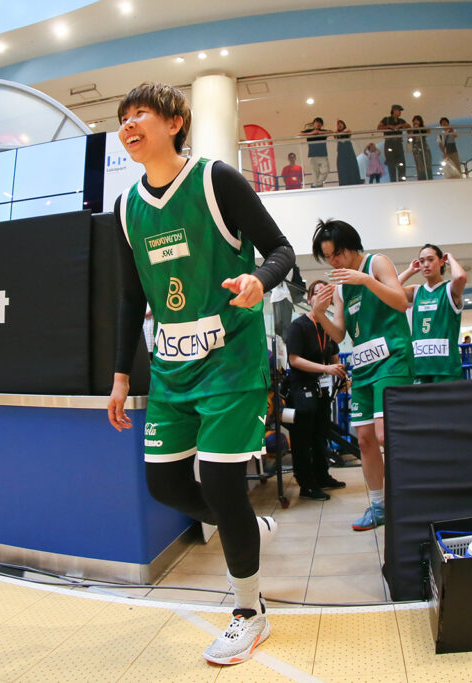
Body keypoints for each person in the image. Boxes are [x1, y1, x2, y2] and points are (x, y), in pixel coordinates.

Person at [107, 82, 295, 665]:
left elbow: (282, 250)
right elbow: (130, 297)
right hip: (171, 370)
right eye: (122, 118)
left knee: (218, 482)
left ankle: (249, 613)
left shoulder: (215, 180)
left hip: (231, 361)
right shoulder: (126, 207)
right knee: (164, 484)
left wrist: (259, 280)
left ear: (174, 123)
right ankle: (245, 527)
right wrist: (120, 377)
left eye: (140, 113)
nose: (128, 124)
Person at [310, 219, 412, 531]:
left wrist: (366, 280)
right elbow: (339, 335)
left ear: (351, 247)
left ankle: (406, 499)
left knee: (385, 434)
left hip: (392, 360)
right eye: (327, 257)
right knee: (365, 439)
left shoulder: (377, 263)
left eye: (336, 254)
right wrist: (319, 314)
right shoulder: (341, 287)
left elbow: (400, 301)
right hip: (364, 367)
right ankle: (379, 506)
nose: (333, 262)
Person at [285, 279, 348, 501]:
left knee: (321, 435)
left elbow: (334, 356)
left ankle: (322, 476)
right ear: (309, 298)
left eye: (326, 293)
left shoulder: (328, 327)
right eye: (317, 293)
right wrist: (325, 368)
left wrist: (342, 376)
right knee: (303, 439)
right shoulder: (298, 326)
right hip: (301, 389)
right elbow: (294, 359)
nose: (323, 296)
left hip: (322, 390)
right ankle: (306, 484)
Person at [397, 245, 467, 383]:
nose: (425, 264)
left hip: (446, 369)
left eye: (430, 259)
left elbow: (460, 277)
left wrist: (450, 259)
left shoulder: (449, 289)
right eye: (422, 261)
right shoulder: (417, 291)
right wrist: (410, 271)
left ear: (441, 261)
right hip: (420, 368)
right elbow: (390, 289)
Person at [377, 105, 409, 182]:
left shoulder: (401, 121)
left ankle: (402, 181)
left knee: (401, 163)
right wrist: (389, 127)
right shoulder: (386, 119)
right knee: (391, 164)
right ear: (394, 110)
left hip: (398, 143)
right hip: (389, 143)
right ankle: (393, 181)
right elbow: (379, 127)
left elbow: (408, 126)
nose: (400, 112)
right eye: (399, 110)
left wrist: (400, 125)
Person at [298, 118, 331, 187]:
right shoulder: (310, 131)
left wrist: (319, 133)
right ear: (313, 123)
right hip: (312, 155)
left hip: (323, 155)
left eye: (320, 123)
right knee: (315, 174)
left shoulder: (323, 131)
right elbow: (300, 134)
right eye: (316, 122)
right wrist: (311, 133)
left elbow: (331, 132)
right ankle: (318, 186)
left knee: (326, 171)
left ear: (321, 125)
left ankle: (316, 185)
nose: (318, 124)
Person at [333, 120, 362, 186]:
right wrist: (337, 129)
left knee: (352, 166)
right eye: (338, 124)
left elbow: (347, 131)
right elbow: (334, 134)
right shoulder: (337, 134)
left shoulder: (347, 130)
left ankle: (354, 181)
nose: (340, 125)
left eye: (341, 124)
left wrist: (338, 132)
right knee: (342, 168)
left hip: (349, 152)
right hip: (341, 153)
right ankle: (344, 183)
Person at [408, 115, 433, 181]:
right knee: (419, 164)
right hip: (416, 147)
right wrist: (414, 129)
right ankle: (421, 179)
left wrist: (421, 127)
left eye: (417, 120)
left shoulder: (423, 128)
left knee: (427, 163)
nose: (416, 122)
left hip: (424, 146)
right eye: (414, 121)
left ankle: (429, 178)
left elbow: (428, 132)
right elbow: (409, 137)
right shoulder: (412, 130)